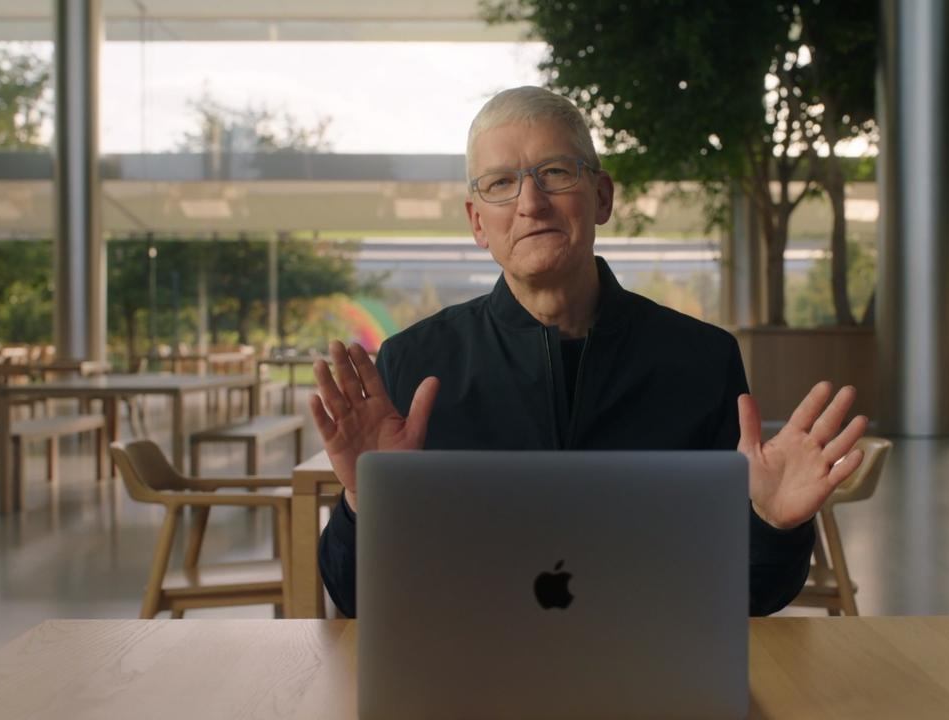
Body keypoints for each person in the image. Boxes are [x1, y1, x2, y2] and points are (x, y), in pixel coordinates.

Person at [310, 86, 867, 619]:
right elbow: (360, 601)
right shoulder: (413, 363)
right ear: (478, 222)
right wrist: (364, 504)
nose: (530, 202)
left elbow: (753, 594)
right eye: (501, 183)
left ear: (601, 196)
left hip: (656, 674)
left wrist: (772, 523)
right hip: (474, 680)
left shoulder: (702, 360)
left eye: (554, 173)